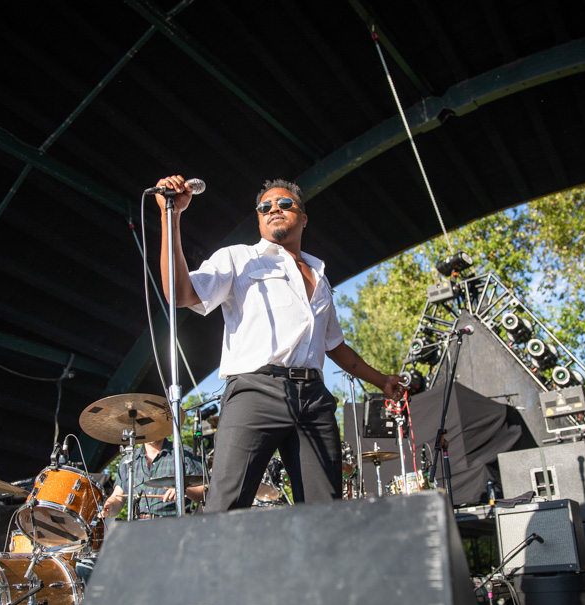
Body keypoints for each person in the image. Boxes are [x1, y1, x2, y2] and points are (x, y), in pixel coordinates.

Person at [155, 175, 400, 512]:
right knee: (225, 506)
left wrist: (382, 380)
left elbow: (335, 345)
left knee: (325, 511)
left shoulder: (320, 276)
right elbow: (179, 293)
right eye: (264, 206)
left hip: (314, 399)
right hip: (255, 390)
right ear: (258, 218)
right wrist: (172, 216)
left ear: (302, 217)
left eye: (285, 204)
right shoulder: (239, 259)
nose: (274, 209)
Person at [101, 436, 205, 518]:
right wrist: (109, 506)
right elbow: (117, 498)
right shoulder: (128, 461)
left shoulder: (184, 454)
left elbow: (206, 491)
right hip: (137, 528)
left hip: (174, 526)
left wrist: (184, 489)